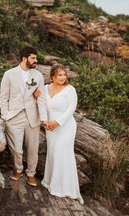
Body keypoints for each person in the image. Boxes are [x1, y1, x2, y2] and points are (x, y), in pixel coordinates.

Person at [34, 64, 83, 204]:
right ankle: (50, 182)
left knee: (62, 152)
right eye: (59, 75)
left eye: (64, 75)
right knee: (53, 152)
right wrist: (45, 121)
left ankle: (64, 188)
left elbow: (71, 108)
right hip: (49, 126)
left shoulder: (70, 90)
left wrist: (57, 122)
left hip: (65, 126)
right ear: (53, 76)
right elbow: (41, 103)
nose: (63, 77)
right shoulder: (45, 88)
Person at [0, 46, 48, 187]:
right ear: (24, 59)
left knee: (33, 148)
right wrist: (5, 116)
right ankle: (18, 169)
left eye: (35, 58)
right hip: (14, 116)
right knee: (16, 149)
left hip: (32, 117)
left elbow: (41, 99)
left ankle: (31, 173)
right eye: (33, 58)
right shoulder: (8, 74)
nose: (36, 60)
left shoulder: (38, 76)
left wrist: (43, 118)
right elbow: (3, 97)